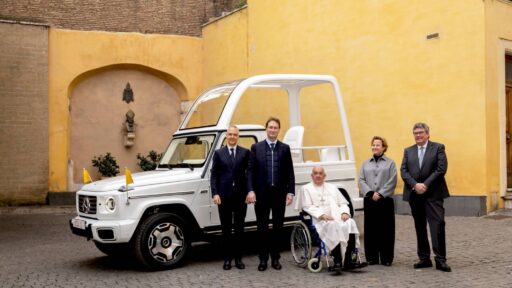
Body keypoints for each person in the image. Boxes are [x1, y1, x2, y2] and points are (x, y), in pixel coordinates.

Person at [400, 122, 451, 272]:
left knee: (438, 225)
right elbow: (404, 171)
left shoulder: (438, 148)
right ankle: (424, 258)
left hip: (433, 194)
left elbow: (441, 169)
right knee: (420, 227)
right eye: (415, 133)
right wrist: (415, 185)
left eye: (421, 132)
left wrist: (425, 185)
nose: (418, 135)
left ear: (428, 134)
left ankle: (440, 260)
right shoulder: (408, 151)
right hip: (415, 195)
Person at [246, 117, 295, 271]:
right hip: (262, 194)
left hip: (279, 194)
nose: (273, 130)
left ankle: (275, 258)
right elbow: (250, 172)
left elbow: (290, 173)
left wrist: (290, 192)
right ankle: (263, 259)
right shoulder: (256, 148)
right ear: (266, 129)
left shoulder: (285, 148)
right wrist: (250, 190)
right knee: (262, 228)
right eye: (270, 127)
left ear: (278, 130)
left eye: (275, 128)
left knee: (277, 228)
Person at [298, 166, 367, 272]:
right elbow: (307, 207)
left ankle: (350, 260)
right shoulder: (306, 188)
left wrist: (344, 212)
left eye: (320, 173)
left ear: (324, 176)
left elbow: (343, 203)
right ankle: (337, 261)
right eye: (315, 173)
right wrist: (322, 215)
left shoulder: (332, 187)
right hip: (320, 221)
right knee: (332, 225)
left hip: (336, 217)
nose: (318, 175)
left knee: (350, 222)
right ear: (312, 175)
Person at [210, 125, 250, 270]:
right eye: (230, 134)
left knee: (239, 229)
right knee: (226, 229)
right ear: (226, 136)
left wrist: (249, 192)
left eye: (235, 134)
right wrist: (215, 193)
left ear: (238, 136)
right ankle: (227, 259)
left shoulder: (245, 152)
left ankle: (239, 259)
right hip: (224, 197)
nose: (232, 136)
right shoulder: (219, 153)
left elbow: (248, 175)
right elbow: (214, 175)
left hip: (240, 197)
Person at [359, 136, 397, 267]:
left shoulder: (390, 163)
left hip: (385, 201)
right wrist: (370, 193)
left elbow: (392, 180)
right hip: (369, 200)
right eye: (373, 145)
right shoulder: (365, 163)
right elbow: (361, 180)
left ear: (384, 147)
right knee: (370, 229)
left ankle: (386, 258)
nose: (375, 147)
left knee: (386, 230)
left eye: (378, 145)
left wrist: (380, 193)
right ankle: (372, 257)